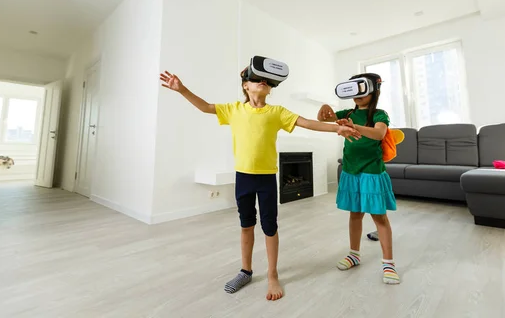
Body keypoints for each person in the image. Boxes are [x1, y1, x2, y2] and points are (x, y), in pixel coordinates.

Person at [160, 67, 361, 301]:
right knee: (246, 225)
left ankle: (272, 274)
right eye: (256, 79)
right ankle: (245, 271)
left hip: (266, 178)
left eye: (266, 81)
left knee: (269, 226)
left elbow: (307, 123)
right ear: (246, 85)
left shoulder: (276, 112)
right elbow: (206, 107)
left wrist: (338, 128)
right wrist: (181, 89)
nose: (262, 82)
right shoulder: (233, 109)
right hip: (243, 177)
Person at [317, 73, 400, 285]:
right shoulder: (348, 112)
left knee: (379, 217)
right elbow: (322, 119)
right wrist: (325, 105)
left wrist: (353, 127)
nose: (357, 95)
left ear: (374, 91)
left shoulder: (380, 114)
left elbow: (379, 134)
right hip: (351, 170)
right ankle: (354, 254)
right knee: (355, 214)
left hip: (371, 172)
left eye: (362, 89)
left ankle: (388, 263)